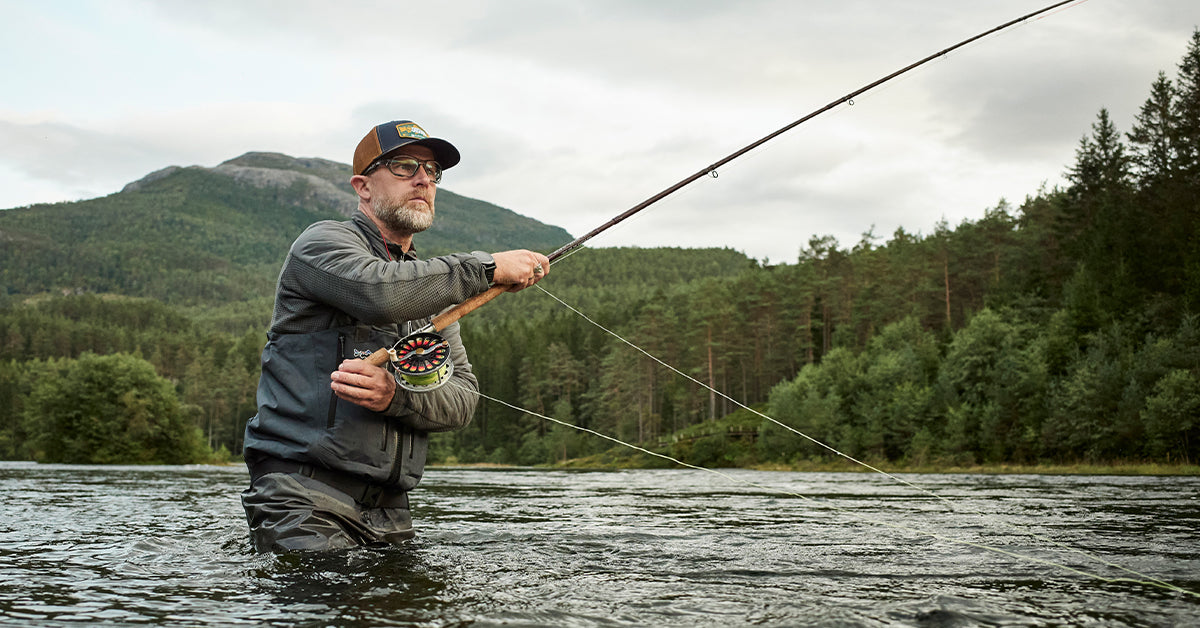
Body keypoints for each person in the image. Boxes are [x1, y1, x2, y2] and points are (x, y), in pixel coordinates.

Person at [241, 120, 550, 552]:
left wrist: (395, 397)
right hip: (301, 497)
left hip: (392, 513)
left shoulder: (437, 290)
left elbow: (462, 401)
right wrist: (486, 269)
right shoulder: (320, 244)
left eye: (432, 171)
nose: (424, 179)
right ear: (363, 187)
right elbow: (379, 293)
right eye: (405, 166)